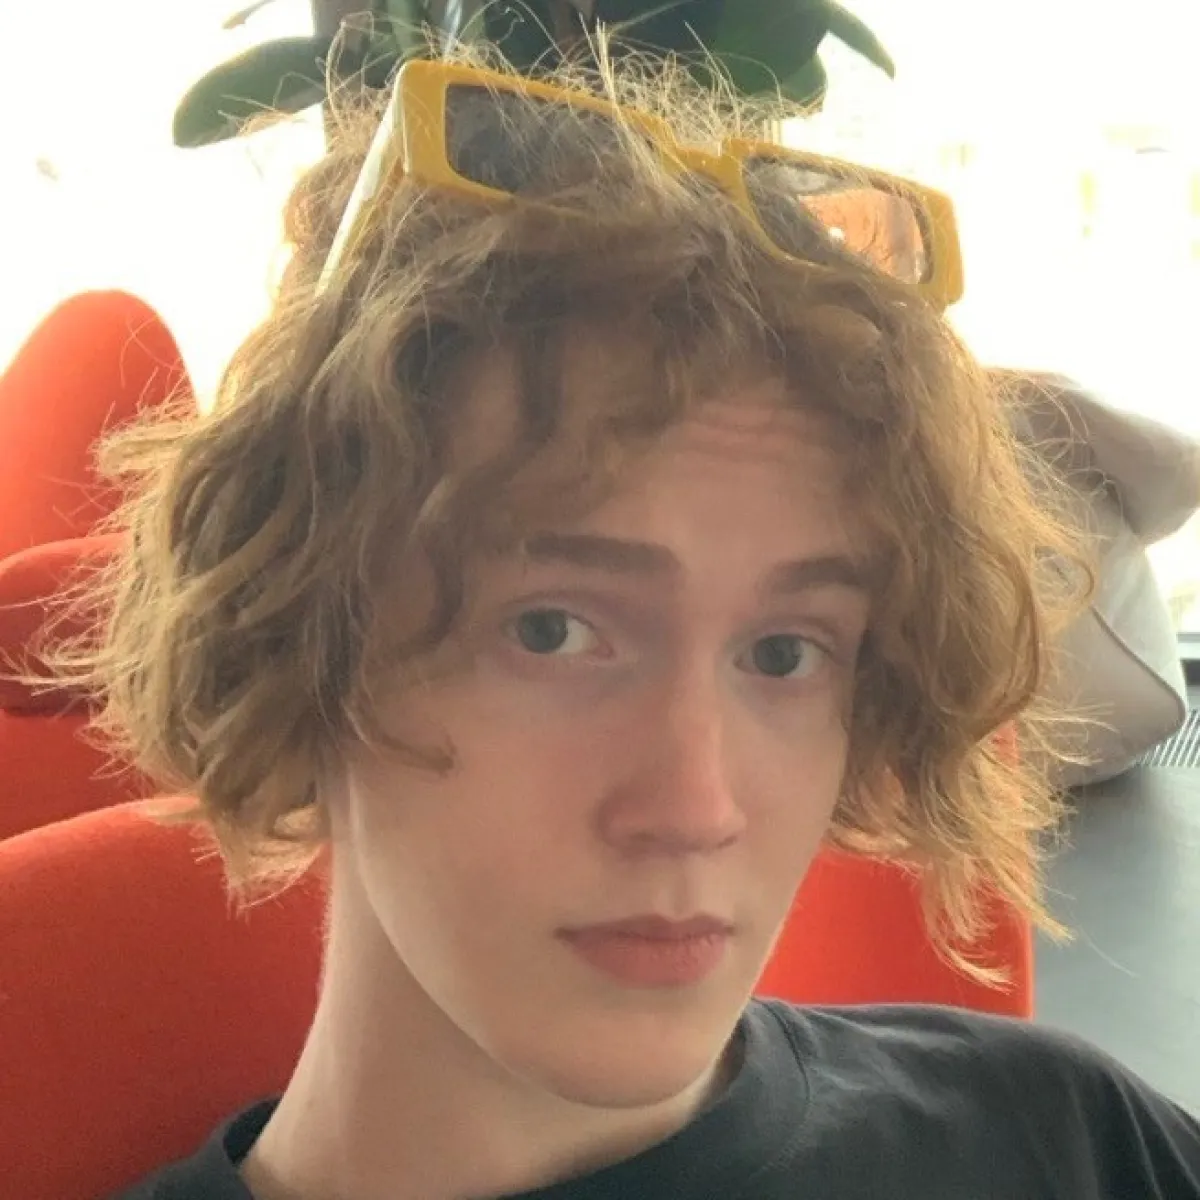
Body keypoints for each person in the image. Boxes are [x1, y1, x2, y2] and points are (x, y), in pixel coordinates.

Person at [63, 48, 1199, 1200]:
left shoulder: (1063, 1143)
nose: (696, 809)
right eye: (551, 631)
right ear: (296, 640)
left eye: (784, 652)